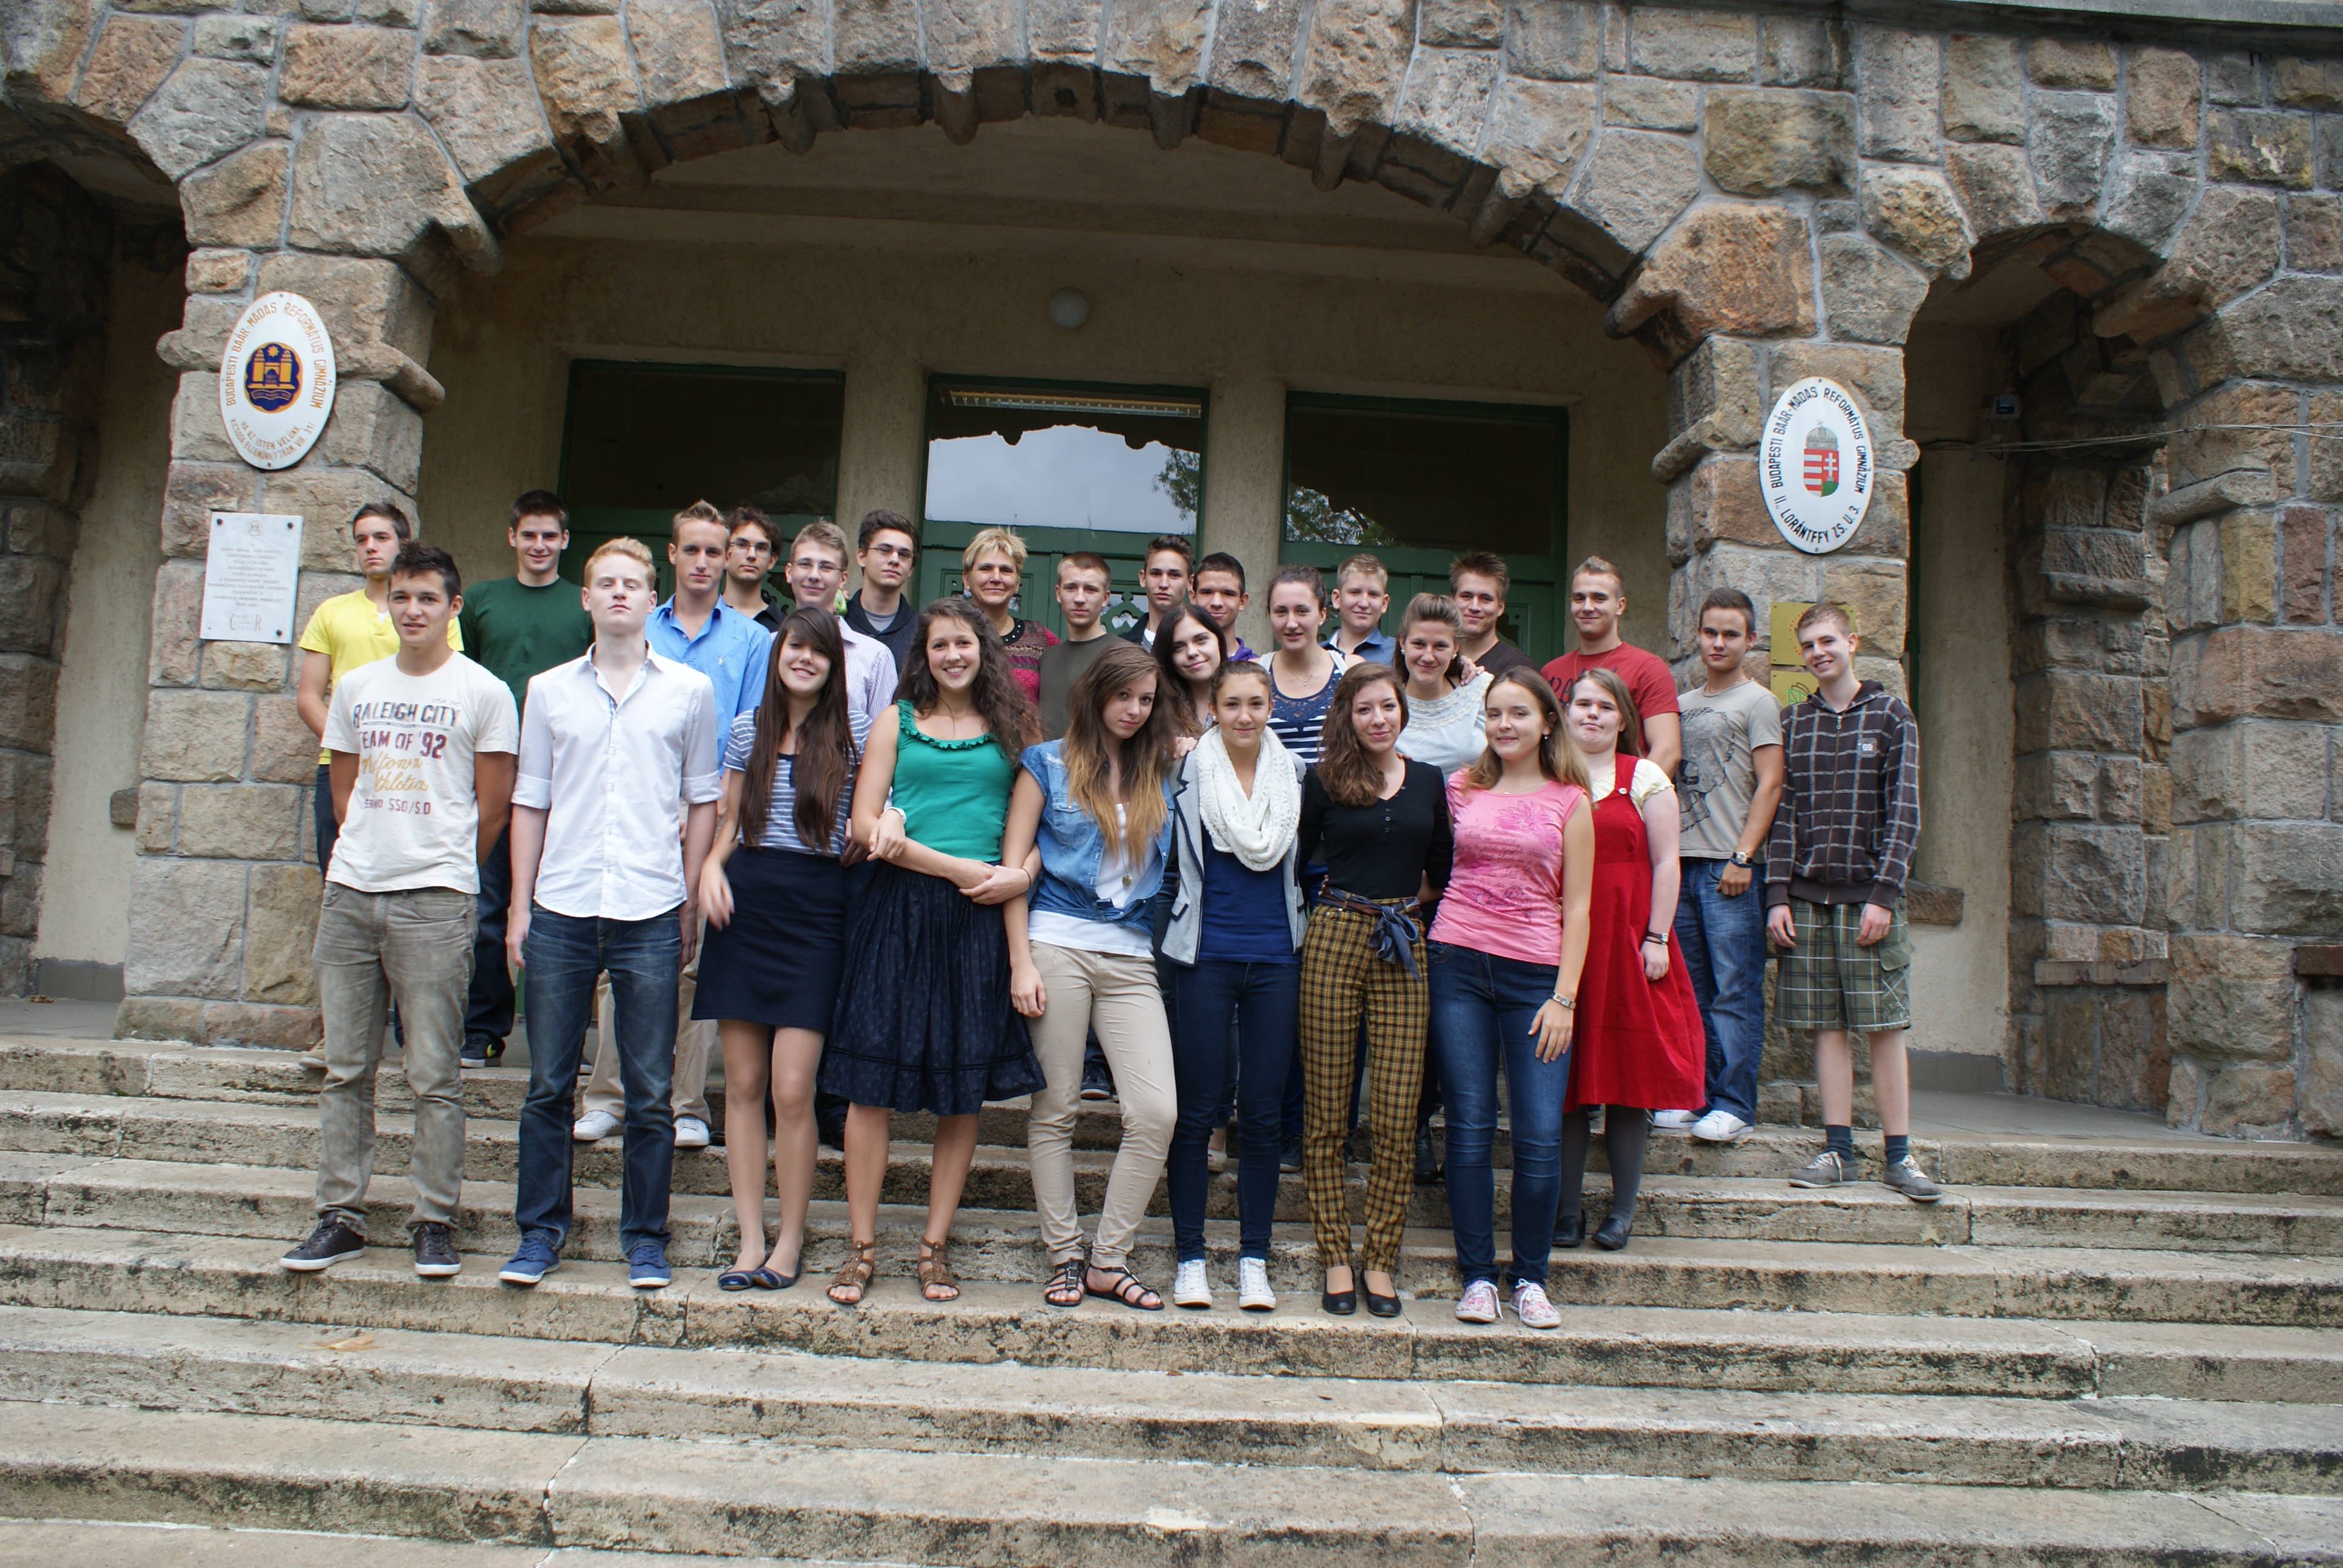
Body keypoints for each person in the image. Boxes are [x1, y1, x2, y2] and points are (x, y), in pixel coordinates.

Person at [280, 542, 517, 1278]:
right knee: (345, 1069)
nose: (413, 610)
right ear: (389, 604)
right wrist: (369, 856)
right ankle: (340, 1215)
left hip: (435, 900)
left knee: (433, 1074)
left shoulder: (483, 692)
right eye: (402, 597)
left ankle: (433, 1219)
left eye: (428, 598)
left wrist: (445, 866)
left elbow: (493, 807)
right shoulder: (357, 686)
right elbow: (344, 792)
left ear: (453, 608)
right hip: (353, 893)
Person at [502, 537, 721, 1292]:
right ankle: (539, 1234)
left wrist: (687, 896)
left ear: (651, 598)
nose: (619, 593)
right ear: (586, 598)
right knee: (547, 1085)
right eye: (606, 583)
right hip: (560, 904)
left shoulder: (689, 691)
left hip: (650, 906)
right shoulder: (547, 690)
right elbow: (530, 799)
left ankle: (645, 1240)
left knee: (651, 1091)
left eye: (632, 583)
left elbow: (702, 799)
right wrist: (519, 906)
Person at [821, 598, 1046, 1305]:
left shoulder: (1016, 728)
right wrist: (954, 867)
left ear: (985, 650)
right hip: (898, 909)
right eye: (939, 645)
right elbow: (863, 822)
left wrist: (1020, 875)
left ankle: (932, 1248)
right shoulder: (897, 720)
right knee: (868, 1088)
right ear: (923, 654)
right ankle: (861, 1248)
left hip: (979, 919)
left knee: (960, 1092)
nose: (952, 655)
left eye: (964, 643)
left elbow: (1036, 828)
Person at [575, 502, 771, 1152]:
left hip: (712, 814)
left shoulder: (752, 641)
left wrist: (718, 820)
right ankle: (607, 1098)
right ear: (672, 554)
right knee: (617, 964)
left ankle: (686, 1105)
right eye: (692, 549)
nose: (704, 562)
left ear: (727, 558)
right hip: (636, 814)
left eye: (715, 551)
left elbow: (752, 735)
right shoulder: (640, 624)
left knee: (695, 963)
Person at [1003, 642, 1182, 1311]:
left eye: (1146, 699)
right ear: (1097, 694)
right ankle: (1065, 1256)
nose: (1134, 710)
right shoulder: (1046, 764)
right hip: (1057, 944)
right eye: (1123, 696)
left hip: (1131, 953)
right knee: (1056, 1110)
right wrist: (1020, 961)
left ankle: (1108, 1259)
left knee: (1156, 1112)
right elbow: (1013, 870)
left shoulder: (1161, 772)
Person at [695, 607, 868, 1291]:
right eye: (794, 647)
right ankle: (749, 1239)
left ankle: (790, 1241)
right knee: (742, 1086)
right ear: (777, 655)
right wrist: (710, 869)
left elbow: (876, 812)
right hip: (747, 907)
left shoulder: (855, 732)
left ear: (833, 665)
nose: (804, 659)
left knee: (792, 1089)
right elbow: (731, 821)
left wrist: (878, 826)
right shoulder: (749, 729)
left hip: (819, 911)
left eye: (817, 651)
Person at [1427, 669, 1593, 1330]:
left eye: (1518, 713)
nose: (1504, 724)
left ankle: (1529, 1278)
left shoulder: (1571, 800)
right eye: (1494, 713)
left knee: (1538, 1136)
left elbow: (1578, 907)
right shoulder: (1461, 787)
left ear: (1547, 722)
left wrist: (1565, 998)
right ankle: (1476, 1278)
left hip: (1537, 980)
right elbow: (1435, 869)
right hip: (1458, 965)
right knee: (1467, 1127)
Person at [1768, 603, 1941, 1203]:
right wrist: (1776, 893)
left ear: (1852, 642)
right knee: (1827, 1027)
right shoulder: (1794, 723)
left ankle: (1900, 1155)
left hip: (1869, 899)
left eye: (1827, 641)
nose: (1818, 652)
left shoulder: (1891, 715)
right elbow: (1783, 814)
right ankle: (1837, 1151)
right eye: (1808, 645)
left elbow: (1905, 811)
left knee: (1885, 1026)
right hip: (1807, 900)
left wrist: (1884, 893)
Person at [1297, 662, 1450, 1317]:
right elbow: (1301, 857)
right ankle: (1335, 1254)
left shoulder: (1429, 780)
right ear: (1347, 717)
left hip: (1403, 942)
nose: (1378, 718)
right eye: (1364, 709)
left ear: (1401, 710)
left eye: (1387, 706)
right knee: (1328, 1108)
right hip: (1335, 933)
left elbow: (1441, 868)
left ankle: (1380, 1258)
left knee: (1394, 1111)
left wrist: (1400, 910)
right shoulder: (1324, 779)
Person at [1159, 661, 1306, 1313]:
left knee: (1263, 1117)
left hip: (1276, 958)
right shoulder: (1186, 772)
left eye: (1256, 703)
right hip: (1204, 956)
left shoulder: (1296, 776)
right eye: (1231, 704)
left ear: (1271, 707)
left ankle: (1253, 1260)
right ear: (1212, 710)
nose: (1244, 715)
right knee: (1196, 1113)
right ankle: (1190, 1258)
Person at [1554, 668, 1705, 1253]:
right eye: (1582, 704)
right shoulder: (1551, 775)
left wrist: (1658, 938)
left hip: (1628, 940)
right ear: (1566, 714)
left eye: (1604, 706)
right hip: (1566, 944)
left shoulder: (1643, 776)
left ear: (1623, 719)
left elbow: (1667, 862)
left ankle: (1620, 1212)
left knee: (1628, 1078)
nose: (1591, 714)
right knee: (1566, 1080)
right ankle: (1566, 1210)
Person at [452, 490, 592, 1069]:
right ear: (512, 537)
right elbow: (460, 680)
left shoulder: (582, 607)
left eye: (549, 535)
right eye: (529, 534)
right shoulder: (480, 602)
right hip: (492, 769)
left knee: (560, 909)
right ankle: (484, 1028)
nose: (539, 545)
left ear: (565, 540)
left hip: (565, 777)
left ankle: (559, 1041)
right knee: (489, 907)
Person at [1661, 587, 1784, 1145]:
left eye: (1731, 634)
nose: (1718, 642)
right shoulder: (1681, 704)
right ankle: (1698, 1097)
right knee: (1693, 991)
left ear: (1750, 640)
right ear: (1698, 635)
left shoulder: (1759, 702)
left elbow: (1771, 784)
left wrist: (1743, 856)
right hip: (1681, 865)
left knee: (1735, 990)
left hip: (1727, 868)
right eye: (1710, 632)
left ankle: (1734, 1103)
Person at [297, 503, 460, 892]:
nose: (370, 546)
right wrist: (353, 746)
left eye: (381, 537)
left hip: (412, 766)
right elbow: (308, 698)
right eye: (361, 540)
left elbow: (449, 685)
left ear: (403, 543)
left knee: (411, 878)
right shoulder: (331, 612)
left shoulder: (430, 612)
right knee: (341, 877)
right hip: (340, 765)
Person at [1540, 555, 1682, 775]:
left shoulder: (1648, 668)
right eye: (1579, 598)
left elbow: (1667, 752)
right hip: (1560, 790)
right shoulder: (1550, 672)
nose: (1587, 607)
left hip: (1623, 791)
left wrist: (1633, 793)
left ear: (1620, 605)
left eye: (1599, 598)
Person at [782, 519, 899, 720]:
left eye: (826, 567)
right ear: (789, 572)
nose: (814, 575)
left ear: (843, 579)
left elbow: (884, 735)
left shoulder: (875, 657)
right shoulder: (767, 645)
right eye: (805, 564)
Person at [1394, 593, 1492, 774]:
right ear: (1403, 642)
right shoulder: (1385, 702)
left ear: (1456, 647)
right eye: (1419, 644)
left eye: (1440, 646)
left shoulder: (1482, 691)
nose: (1428, 657)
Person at [1264, 564, 1348, 766]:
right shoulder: (1255, 673)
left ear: (1322, 615)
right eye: (1281, 612)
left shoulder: (1349, 669)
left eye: (1302, 611)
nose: (1291, 623)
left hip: (1338, 786)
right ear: (1269, 616)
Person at [962, 526, 1057, 702]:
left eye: (1006, 570)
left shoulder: (1040, 638)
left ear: (1017, 582)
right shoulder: (948, 633)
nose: (996, 578)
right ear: (966, 579)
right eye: (986, 569)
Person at [1038, 551, 1121, 740]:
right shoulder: (1047, 658)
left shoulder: (1123, 655)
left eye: (1090, 590)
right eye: (1071, 588)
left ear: (1105, 597)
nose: (1080, 598)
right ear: (1058, 593)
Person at [842, 509, 922, 672]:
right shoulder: (837, 621)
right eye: (885, 550)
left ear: (911, 568)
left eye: (904, 554)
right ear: (862, 557)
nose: (894, 560)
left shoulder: (924, 631)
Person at [1448, 552, 1538, 680]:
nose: (1474, 607)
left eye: (1485, 599)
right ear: (1452, 600)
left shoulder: (1518, 666)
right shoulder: (1437, 662)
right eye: (1466, 596)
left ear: (1500, 607)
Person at [1152, 601, 1228, 737]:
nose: (1192, 653)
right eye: (1178, 647)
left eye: (1201, 639)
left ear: (1219, 642)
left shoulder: (1245, 693)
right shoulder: (1155, 706)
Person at [1122, 534, 1193, 650]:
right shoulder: (1120, 648)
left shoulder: (1203, 646)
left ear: (1190, 582)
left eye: (1174, 575)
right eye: (1156, 574)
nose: (1163, 584)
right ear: (1143, 578)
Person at [1326, 553, 1397, 665]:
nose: (1364, 604)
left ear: (1384, 603)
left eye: (1373, 594)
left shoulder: (1399, 656)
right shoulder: (1314, 655)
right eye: (1355, 592)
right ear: (1337, 599)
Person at [723, 507, 785, 629]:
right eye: (742, 545)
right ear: (725, 554)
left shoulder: (786, 628)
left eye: (761, 548)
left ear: (772, 560)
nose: (751, 555)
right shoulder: (703, 617)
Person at [1188, 552, 1257, 660]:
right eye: (1207, 592)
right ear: (1193, 597)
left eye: (1228, 594)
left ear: (1242, 601)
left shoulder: (1258, 666)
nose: (1217, 603)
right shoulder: (1178, 664)